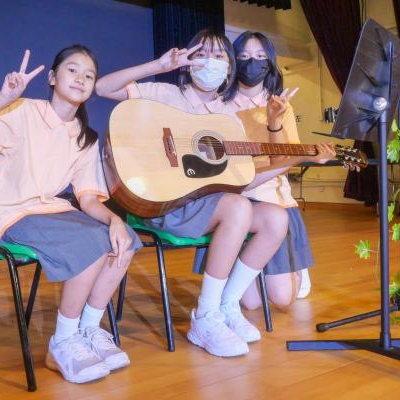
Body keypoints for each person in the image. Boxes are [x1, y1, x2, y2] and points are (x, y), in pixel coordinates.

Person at [0, 45, 142, 383]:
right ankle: (63, 340)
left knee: (124, 239)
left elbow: (88, 200)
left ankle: (88, 329)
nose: (80, 78)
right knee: (89, 244)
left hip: (52, 212)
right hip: (12, 214)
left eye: (89, 75)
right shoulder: (22, 111)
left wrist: (116, 221)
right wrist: (3, 98)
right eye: (72, 70)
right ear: (52, 77)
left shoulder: (86, 138)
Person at [96, 29, 290, 357]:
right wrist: (159, 66)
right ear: (188, 61)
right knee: (238, 207)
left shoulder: (229, 119)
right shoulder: (163, 94)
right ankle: (206, 316)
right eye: (202, 54)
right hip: (165, 203)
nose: (210, 62)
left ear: (229, 68)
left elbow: (239, 180)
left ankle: (227, 305)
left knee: (275, 217)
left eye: (219, 56)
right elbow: (103, 87)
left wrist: (292, 161)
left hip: (208, 205)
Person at [223, 31, 329, 309]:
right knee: (252, 304)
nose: (252, 62)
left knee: (283, 299)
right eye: (244, 56)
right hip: (235, 198)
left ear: (270, 62)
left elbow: (281, 163)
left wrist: (274, 122)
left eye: (260, 56)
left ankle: (294, 266)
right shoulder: (219, 104)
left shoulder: (281, 105)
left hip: (272, 198)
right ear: (233, 61)